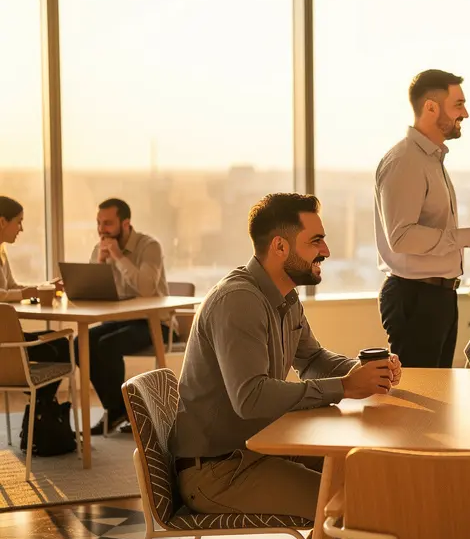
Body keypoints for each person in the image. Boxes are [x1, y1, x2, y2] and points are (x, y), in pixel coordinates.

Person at [171, 193, 401, 521]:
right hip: (219, 471)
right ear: (280, 247)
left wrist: (365, 372)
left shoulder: (285, 297)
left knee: (370, 473)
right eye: (316, 241)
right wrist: (346, 387)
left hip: (260, 447)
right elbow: (250, 398)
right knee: (352, 509)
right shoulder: (238, 302)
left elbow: (311, 360)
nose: (326, 251)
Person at [375, 69, 470, 368]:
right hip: (416, 298)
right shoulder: (406, 161)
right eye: (458, 104)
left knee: (436, 396)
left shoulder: (430, 160)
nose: (465, 113)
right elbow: (401, 238)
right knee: (420, 401)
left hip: (437, 297)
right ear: (430, 107)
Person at [75, 198, 172, 434]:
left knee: (107, 345)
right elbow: (92, 296)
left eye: (107, 223)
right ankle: (119, 410)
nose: (101, 229)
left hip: (155, 323)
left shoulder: (149, 246)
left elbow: (147, 289)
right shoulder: (100, 249)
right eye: (99, 223)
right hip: (120, 321)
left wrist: (119, 258)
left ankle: (119, 412)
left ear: (125, 223)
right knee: (82, 343)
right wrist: (100, 266)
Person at [0, 196, 70, 407]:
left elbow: (11, 287)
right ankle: (41, 409)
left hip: (6, 339)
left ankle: (40, 409)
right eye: (18, 222)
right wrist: (27, 293)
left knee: (61, 345)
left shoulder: (2, 252)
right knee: (58, 348)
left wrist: (42, 288)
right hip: (5, 343)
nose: (20, 229)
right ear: (2, 222)